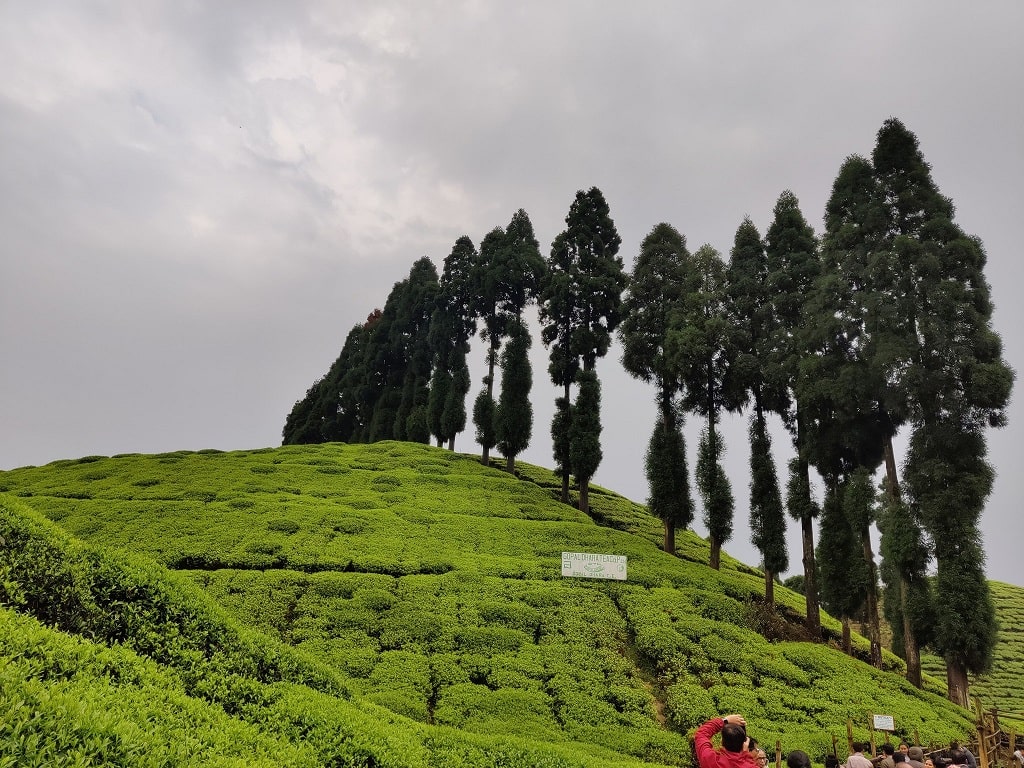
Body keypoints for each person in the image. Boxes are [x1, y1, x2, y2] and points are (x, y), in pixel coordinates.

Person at [694, 714, 759, 768]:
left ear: (722, 741)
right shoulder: (750, 766)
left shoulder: (710, 760)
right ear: (744, 743)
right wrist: (745, 755)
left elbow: (701, 734)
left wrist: (724, 720)